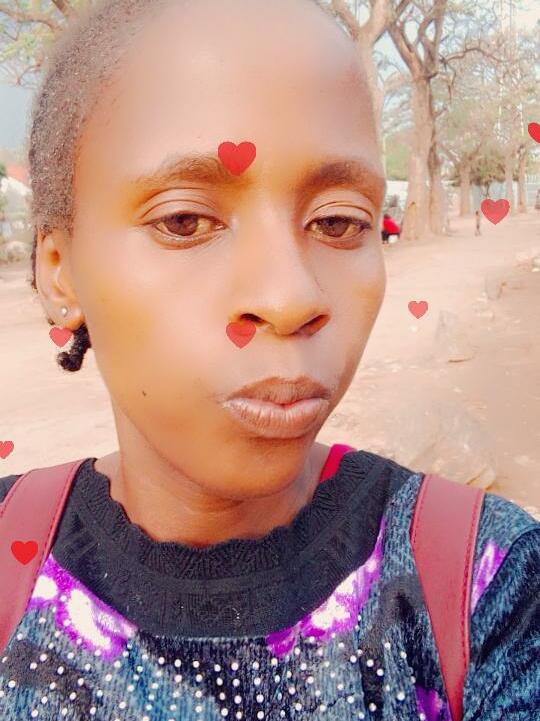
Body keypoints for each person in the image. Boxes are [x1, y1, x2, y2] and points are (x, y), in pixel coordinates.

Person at [1, 0, 538, 719]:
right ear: (60, 270)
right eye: (184, 220)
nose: (290, 298)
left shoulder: (485, 582)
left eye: (338, 221)